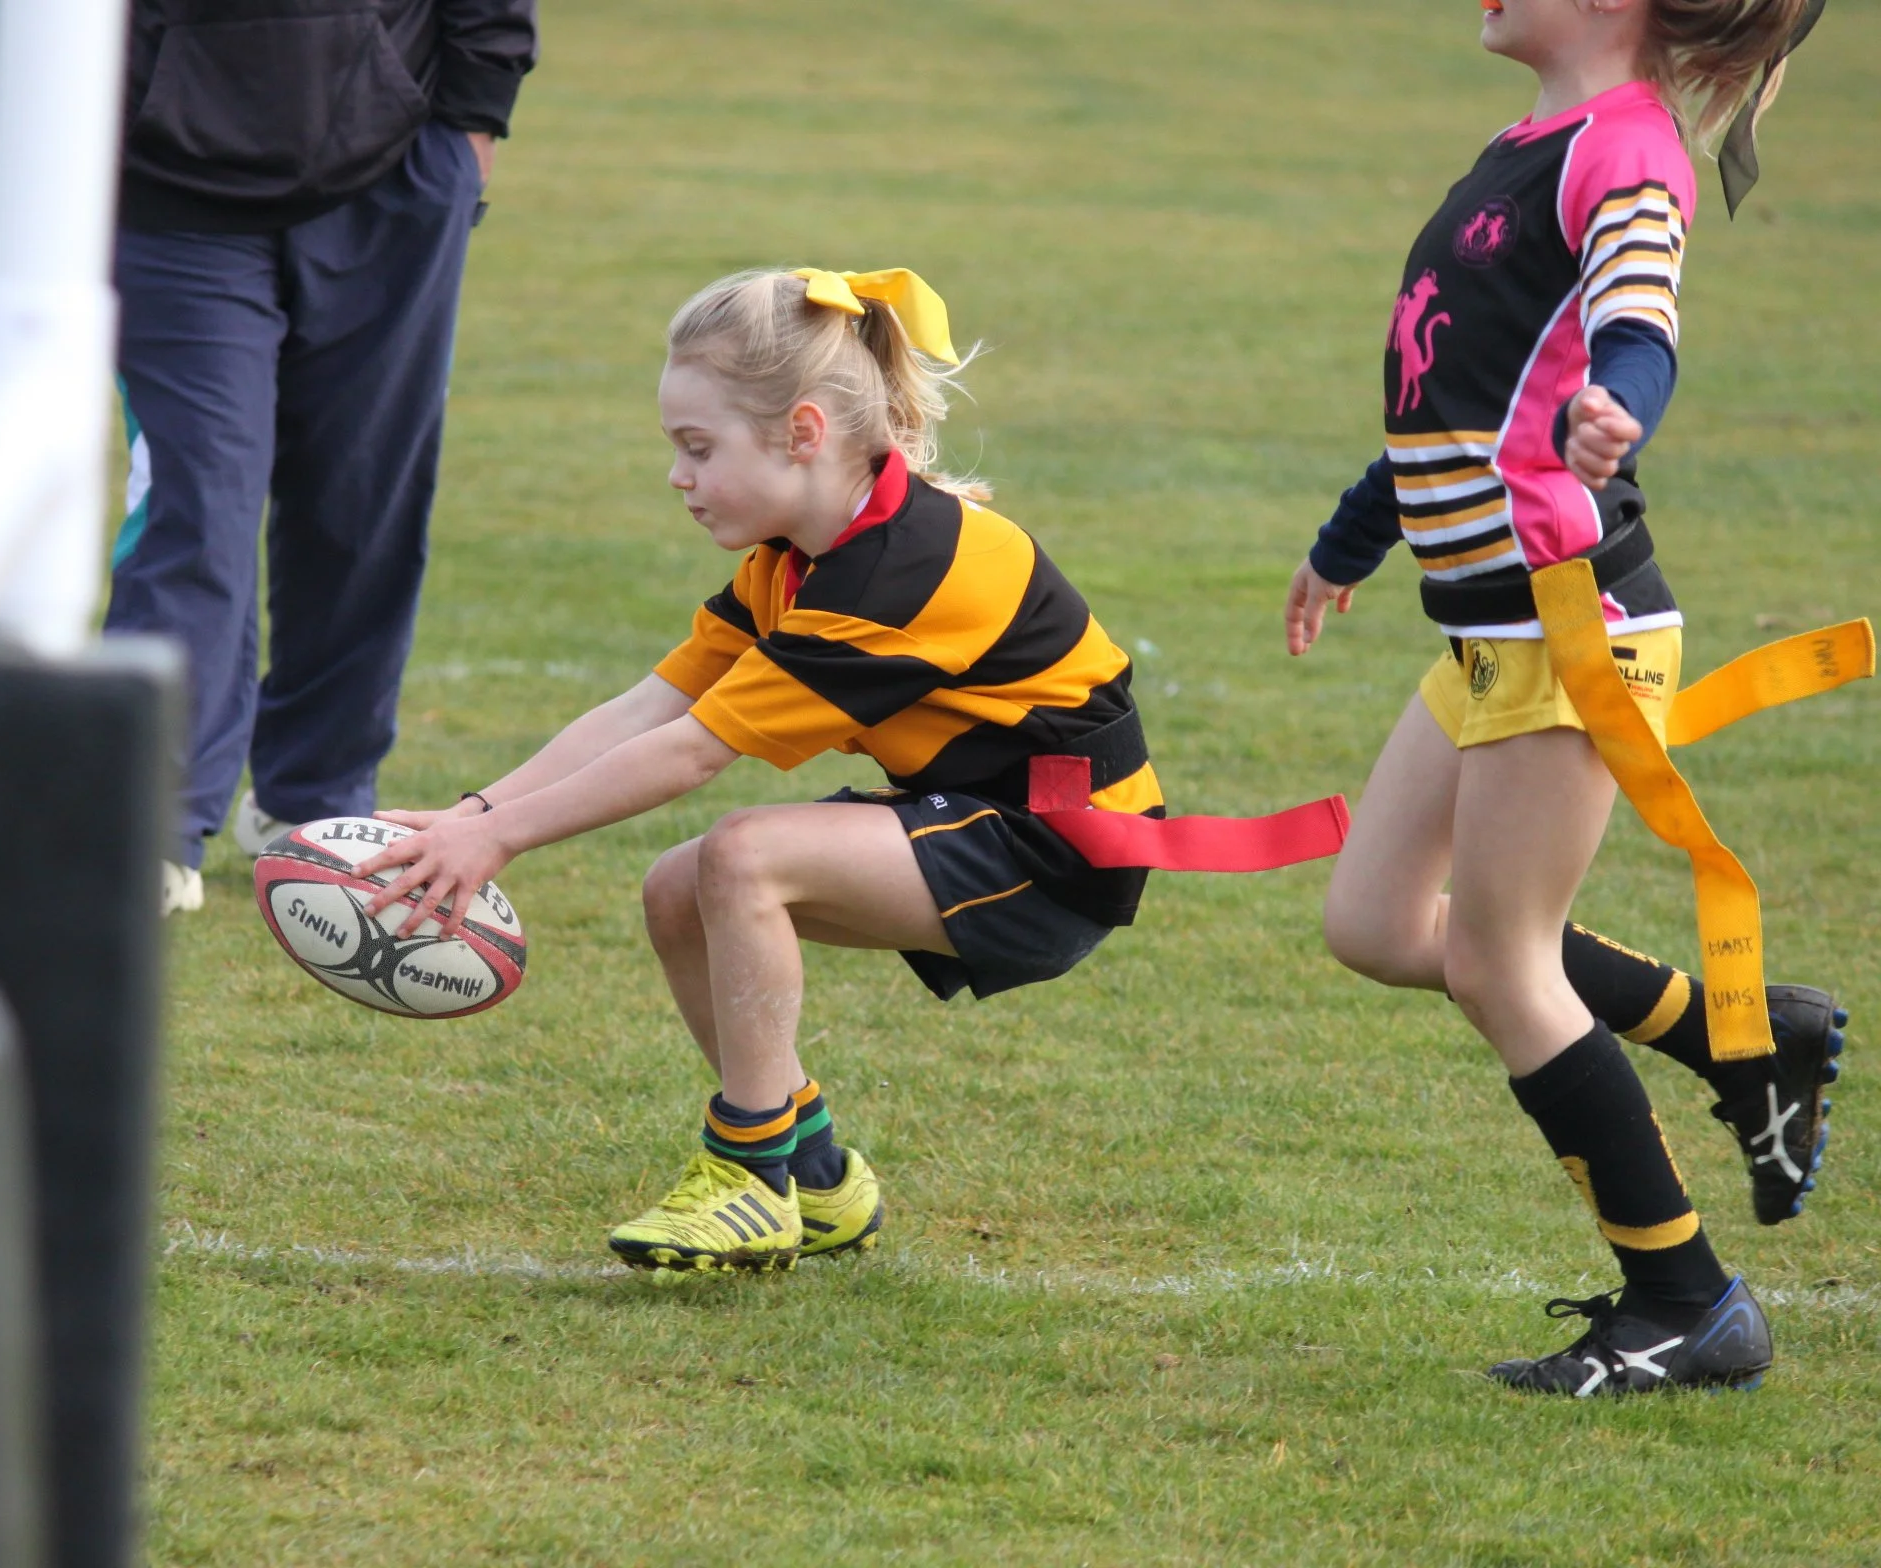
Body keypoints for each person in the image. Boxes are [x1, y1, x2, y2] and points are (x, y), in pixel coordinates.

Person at [356, 268, 1334, 1273]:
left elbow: (694, 749)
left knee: (741, 855)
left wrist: (499, 837)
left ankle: (749, 1178)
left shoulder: (899, 569)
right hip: (974, 810)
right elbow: (653, 704)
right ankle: (818, 1177)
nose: (677, 476)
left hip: (1061, 845)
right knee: (675, 888)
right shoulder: (792, 557)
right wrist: (472, 813)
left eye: (698, 448)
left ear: (805, 432)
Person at [1284, 0, 1845, 1395]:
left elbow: (1637, 320)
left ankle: (1688, 1300)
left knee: (1496, 960)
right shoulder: (1521, 143)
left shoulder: (1627, 148)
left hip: (1569, 629)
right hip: (1481, 634)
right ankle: (1746, 1035)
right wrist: (1353, 536)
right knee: (1373, 920)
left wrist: (1623, 406)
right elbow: (1452, 387)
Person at [103, 0, 539, 915]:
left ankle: (316, 803)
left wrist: (471, 124)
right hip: (158, 185)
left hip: (393, 170)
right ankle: (148, 818)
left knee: (363, 498)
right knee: (199, 498)